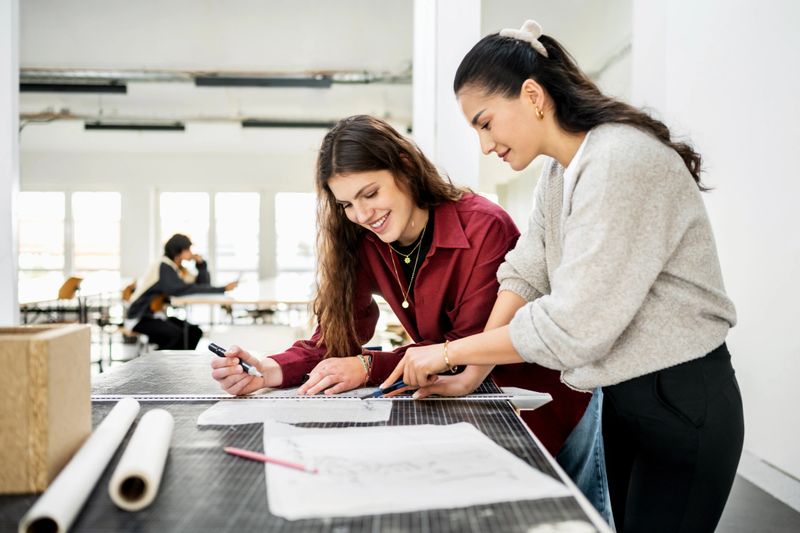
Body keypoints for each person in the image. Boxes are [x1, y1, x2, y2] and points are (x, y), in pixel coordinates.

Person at [384, 19, 744, 533]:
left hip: (682, 401)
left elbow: (574, 327)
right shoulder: (562, 171)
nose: (485, 146)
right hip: (624, 399)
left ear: (532, 96)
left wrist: (449, 353)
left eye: (485, 123)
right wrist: (474, 370)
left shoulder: (620, 158)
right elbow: (527, 270)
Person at [209, 114, 594, 489]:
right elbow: (338, 333)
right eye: (346, 204)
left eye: (370, 193)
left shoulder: (484, 226)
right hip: (452, 406)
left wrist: (368, 365)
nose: (361, 215)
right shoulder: (363, 240)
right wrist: (270, 369)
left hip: (530, 409)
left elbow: (465, 347)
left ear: (405, 168)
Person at [126, 233, 237, 350]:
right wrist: (222, 289)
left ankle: (181, 362)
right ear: (178, 251)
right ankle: (160, 362)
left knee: (194, 332)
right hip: (140, 318)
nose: (191, 253)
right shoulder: (164, 266)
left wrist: (201, 265)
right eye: (188, 249)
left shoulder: (176, 268)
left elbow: (200, 285)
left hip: (156, 316)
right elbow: (180, 290)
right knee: (176, 335)